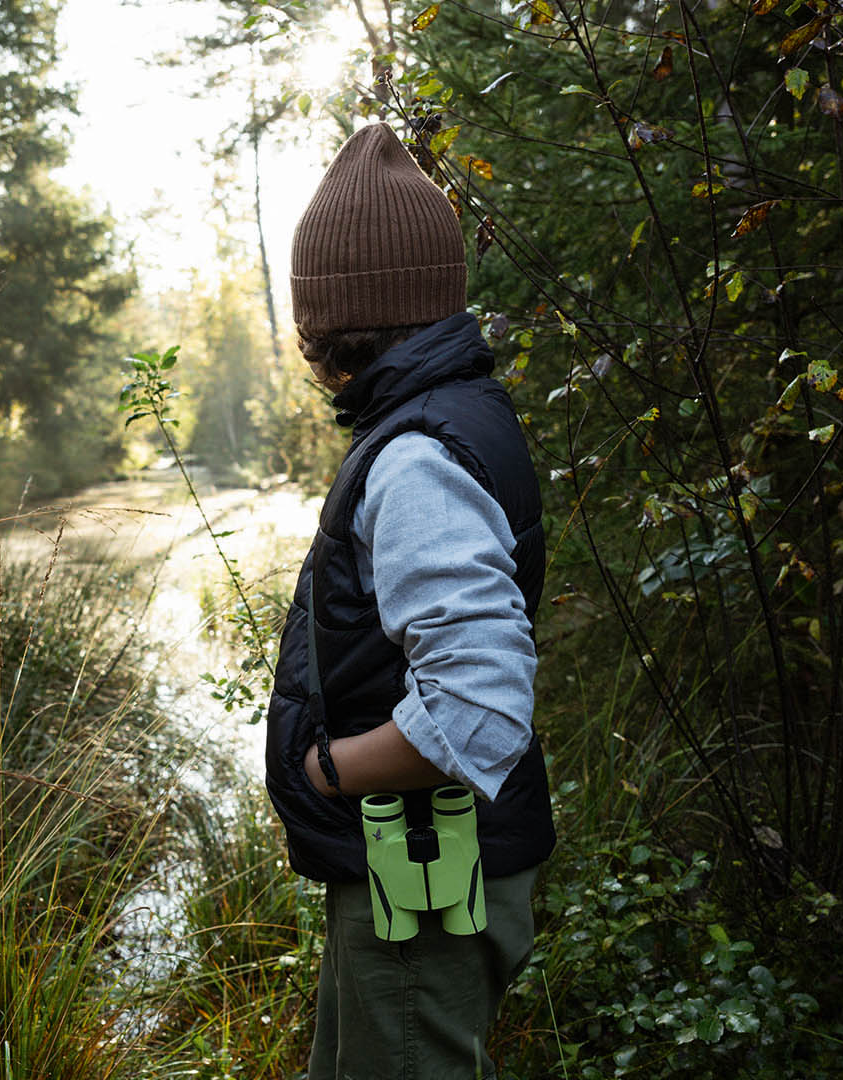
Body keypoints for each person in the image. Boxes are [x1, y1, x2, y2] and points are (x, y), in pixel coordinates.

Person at [263, 122, 555, 1080]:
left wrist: (329, 773)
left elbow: (477, 704)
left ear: (333, 322)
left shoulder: (417, 456)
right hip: (426, 868)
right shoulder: (455, 414)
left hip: (424, 869)